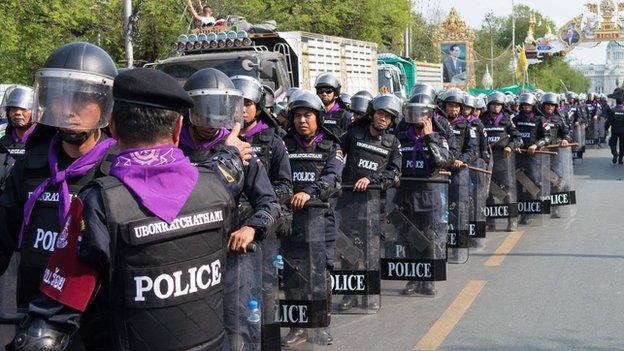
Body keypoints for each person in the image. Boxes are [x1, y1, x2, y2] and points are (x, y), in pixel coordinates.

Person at [14, 67, 251, 351]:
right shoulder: (215, 187)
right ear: (178, 128)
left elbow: (47, 332)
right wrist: (232, 150)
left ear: (111, 125)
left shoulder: (98, 205)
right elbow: (227, 171)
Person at [0, 42, 119, 319]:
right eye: (60, 98)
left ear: (103, 105)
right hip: (33, 310)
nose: (69, 110)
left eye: (81, 99)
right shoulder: (30, 166)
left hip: (94, 318)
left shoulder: (119, 169)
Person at [182, 69, 280, 349]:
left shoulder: (243, 152)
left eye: (218, 107)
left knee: (237, 332)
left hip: (231, 260)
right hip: (186, 261)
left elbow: (270, 203)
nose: (211, 117)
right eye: (204, 108)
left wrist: (251, 227)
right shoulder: (172, 148)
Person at [231, 75, 292, 349]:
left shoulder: (273, 141)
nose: (242, 110)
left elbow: (283, 186)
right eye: (236, 104)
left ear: (258, 106)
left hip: (261, 229)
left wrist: (258, 209)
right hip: (231, 229)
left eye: (247, 104)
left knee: (265, 288)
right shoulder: (223, 140)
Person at [281, 91, 343, 346]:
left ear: (318, 118)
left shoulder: (332, 147)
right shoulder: (283, 146)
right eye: (297, 116)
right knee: (294, 276)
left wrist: (309, 192)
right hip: (291, 223)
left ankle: (320, 324)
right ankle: (298, 326)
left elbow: (332, 179)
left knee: (320, 275)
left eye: (307, 115)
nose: (302, 121)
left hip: (321, 223)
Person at [337, 93, 402, 310]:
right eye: (381, 113)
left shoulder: (393, 143)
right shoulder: (353, 135)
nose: (383, 118)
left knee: (370, 250)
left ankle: (369, 292)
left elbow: (394, 174)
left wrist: (371, 179)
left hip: (374, 207)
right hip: (348, 203)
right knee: (347, 250)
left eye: (389, 116)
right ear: (373, 114)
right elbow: (335, 157)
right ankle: (349, 293)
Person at [391, 90, 453, 296]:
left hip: (429, 194)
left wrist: (429, 138)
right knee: (409, 237)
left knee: (429, 238)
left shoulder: (438, 137)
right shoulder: (400, 138)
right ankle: (413, 277)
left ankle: (429, 279)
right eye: (413, 112)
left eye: (421, 113)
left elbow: (443, 161)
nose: (417, 117)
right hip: (406, 194)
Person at [481, 91, 523, 232]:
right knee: (488, 190)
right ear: (489, 105)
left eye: (498, 105)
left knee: (507, 190)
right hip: (487, 158)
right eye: (493, 104)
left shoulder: (507, 120)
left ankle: (512, 219)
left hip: (503, 159)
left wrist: (510, 147)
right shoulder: (482, 119)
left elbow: (518, 138)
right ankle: (490, 221)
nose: (496, 107)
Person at [513, 93, 549, 225]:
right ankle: (521, 213)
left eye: (529, 105)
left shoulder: (540, 119)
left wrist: (536, 145)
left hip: (533, 157)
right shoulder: (515, 119)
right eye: (524, 105)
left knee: (532, 182)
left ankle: (531, 209)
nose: (526, 107)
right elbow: (511, 135)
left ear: (533, 105)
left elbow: (548, 137)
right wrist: (514, 145)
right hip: (519, 156)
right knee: (518, 183)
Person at [0, 85, 35, 188]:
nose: (17, 113)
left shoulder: (45, 144)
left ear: (35, 112)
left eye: (24, 109)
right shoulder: (2, 144)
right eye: (14, 108)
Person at [315, 73, 350, 137]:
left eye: (328, 91)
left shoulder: (345, 116)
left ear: (336, 94)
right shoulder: (315, 114)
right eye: (321, 91)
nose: (324, 94)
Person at [606, 91, 624, 164]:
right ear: (622, 103)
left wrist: (606, 128)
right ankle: (620, 159)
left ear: (616, 102)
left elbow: (609, 121)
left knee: (612, 143)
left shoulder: (612, 110)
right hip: (623, 131)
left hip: (614, 130)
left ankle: (615, 154)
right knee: (622, 145)